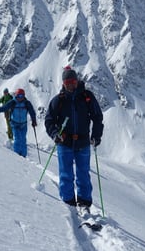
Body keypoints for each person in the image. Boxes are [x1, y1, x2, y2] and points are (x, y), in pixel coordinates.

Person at [44, 66, 104, 208]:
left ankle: (84, 203)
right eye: (68, 83)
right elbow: (49, 120)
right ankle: (68, 203)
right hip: (64, 142)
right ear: (63, 83)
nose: (71, 85)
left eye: (73, 82)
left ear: (77, 81)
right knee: (66, 174)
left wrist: (96, 135)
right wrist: (54, 134)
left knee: (83, 174)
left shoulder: (87, 97)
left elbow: (97, 117)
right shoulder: (59, 100)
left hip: (83, 142)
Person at [0, 88, 37, 157]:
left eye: (22, 96)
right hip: (14, 124)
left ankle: (23, 156)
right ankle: (17, 156)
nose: (20, 97)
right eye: (18, 96)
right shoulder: (13, 102)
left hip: (23, 125)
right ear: (16, 96)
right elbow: (5, 107)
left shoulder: (27, 103)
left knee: (23, 140)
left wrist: (34, 121)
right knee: (17, 139)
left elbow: (32, 112)